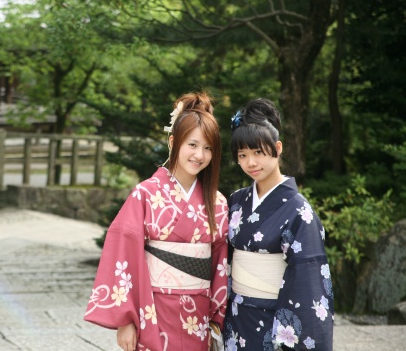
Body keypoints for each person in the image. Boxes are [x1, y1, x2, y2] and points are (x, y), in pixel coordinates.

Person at [84, 91, 229, 351]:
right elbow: (123, 252)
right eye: (192, 145)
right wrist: (126, 320)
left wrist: (216, 318)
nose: (200, 155)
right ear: (173, 142)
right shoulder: (146, 194)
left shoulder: (217, 202)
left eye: (208, 148)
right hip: (153, 311)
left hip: (199, 315)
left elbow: (220, 264)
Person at [223, 98, 334, 350]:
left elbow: (308, 281)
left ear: (278, 147)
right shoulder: (237, 201)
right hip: (237, 318)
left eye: (258, 152)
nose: (251, 162)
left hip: (274, 322)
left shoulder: (298, 209)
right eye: (243, 155)